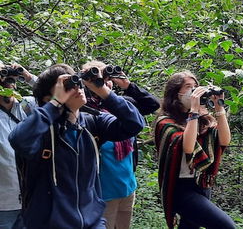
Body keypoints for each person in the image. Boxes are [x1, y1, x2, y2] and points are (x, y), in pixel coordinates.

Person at [8, 64, 145, 229]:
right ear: (48, 98)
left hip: (92, 222)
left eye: (76, 82)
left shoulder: (92, 122)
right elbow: (18, 140)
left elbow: (135, 124)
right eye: (67, 87)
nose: (76, 88)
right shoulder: (41, 132)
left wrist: (103, 91)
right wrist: (55, 103)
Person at [82, 60, 160, 229]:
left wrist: (128, 85)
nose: (105, 81)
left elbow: (152, 104)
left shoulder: (123, 105)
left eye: (107, 77)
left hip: (127, 186)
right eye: (99, 78)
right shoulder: (84, 111)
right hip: (102, 192)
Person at [154, 71, 235, 229]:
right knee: (226, 226)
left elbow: (224, 140)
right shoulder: (165, 123)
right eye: (188, 87)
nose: (193, 91)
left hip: (202, 182)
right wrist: (194, 113)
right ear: (176, 94)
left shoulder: (203, 120)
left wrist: (219, 107)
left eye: (196, 87)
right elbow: (188, 147)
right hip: (180, 188)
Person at [0, 63, 36, 229]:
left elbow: (58, 96)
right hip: (3, 205)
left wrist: (27, 76)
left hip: (34, 200)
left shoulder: (28, 106)